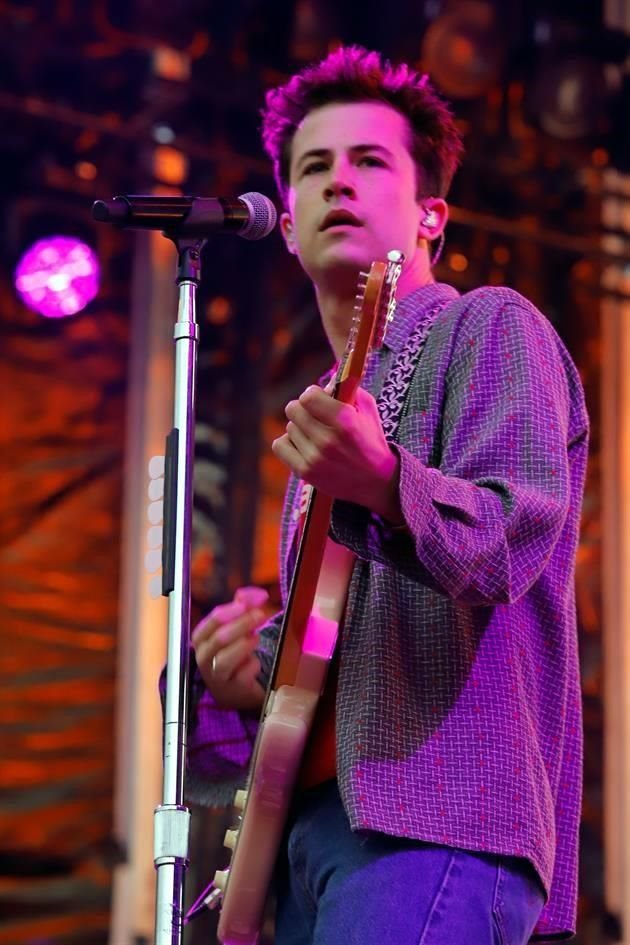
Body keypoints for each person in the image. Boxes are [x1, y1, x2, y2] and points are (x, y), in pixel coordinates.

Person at [179, 46, 589, 944]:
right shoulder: (329, 408)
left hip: (435, 820)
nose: (339, 183)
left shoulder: (490, 325)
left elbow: (511, 541)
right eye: (315, 168)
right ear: (286, 224)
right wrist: (246, 676)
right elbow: (336, 649)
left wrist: (386, 482)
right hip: (313, 838)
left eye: (370, 162)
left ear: (431, 212)